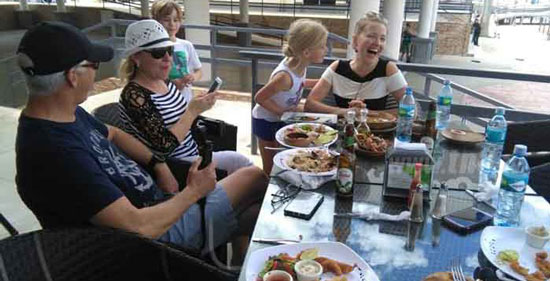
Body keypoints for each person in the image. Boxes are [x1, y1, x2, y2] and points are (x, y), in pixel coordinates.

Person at [15, 21, 268, 263]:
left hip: (162, 204)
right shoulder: (55, 152)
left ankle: (237, 266)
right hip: (153, 240)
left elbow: (113, 133)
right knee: (253, 177)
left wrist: (158, 164)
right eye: (94, 65)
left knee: (255, 213)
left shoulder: (66, 114)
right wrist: (193, 192)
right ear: (72, 76)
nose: (96, 72)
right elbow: (138, 226)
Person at [118, 18, 252, 175]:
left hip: (195, 154)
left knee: (247, 168)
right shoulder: (134, 95)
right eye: (158, 52)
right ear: (136, 57)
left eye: (169, 50)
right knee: (248, 170)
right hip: (178, 168)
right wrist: (192, 111)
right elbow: (164, 148)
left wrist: (199, 105)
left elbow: (181, 120)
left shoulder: (164, 82)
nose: (167, 58)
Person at [251, 19, 328, 174]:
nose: (325, 49)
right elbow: (259, 98)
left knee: (286, 161)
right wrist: (282, 112)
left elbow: (299, 82)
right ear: (306, 52)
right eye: (321, 46)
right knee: (271, 167)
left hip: (280, 119)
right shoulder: (284, 77)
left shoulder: (299, 64)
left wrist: (322, 82)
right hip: (266, 121)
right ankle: (262, 194)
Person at [304, 11, 407, 117]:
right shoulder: (337, 68)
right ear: (355, 40)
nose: (377, 43)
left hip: (377, 132)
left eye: (382, 39)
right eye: (371, 36)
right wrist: (345, 112)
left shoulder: (388, 69)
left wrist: (367, 114)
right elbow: (310, 104)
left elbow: (411, 109)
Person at [151, 0, 201, 97]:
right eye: (166, 20)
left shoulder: (187, 45)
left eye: (176, 20)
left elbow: (199, 71)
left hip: (186, 100)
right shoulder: (152, 48)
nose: (172, 24)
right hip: (163, 100)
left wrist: (193, 77)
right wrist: (171, 82)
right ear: (156, 21)